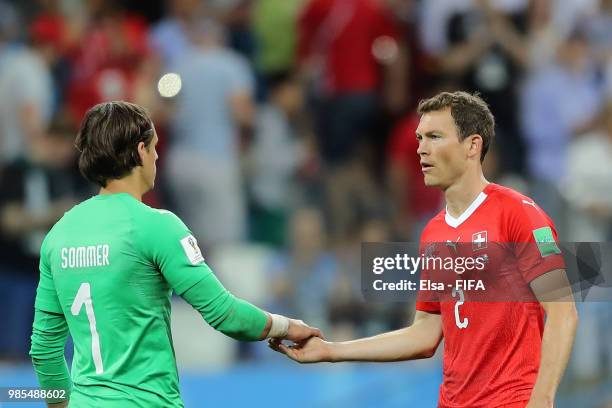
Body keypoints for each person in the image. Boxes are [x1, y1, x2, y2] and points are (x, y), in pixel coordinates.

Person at [270, 91, 578, 408]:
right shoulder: (434, 233)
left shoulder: (520, 213)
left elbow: (563, 311)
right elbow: (426, 333)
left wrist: (542, 398)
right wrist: (331, 350)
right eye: (420, 138)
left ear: (473, 145)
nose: (420, 149)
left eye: (434, 137)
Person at [29, 101, 322, 408]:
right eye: (154, 147)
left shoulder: (59, 234)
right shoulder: (156, 226)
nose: (157, 156)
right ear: (141, 151)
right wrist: (287, 326)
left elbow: (45, 349)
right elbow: (226, 315)